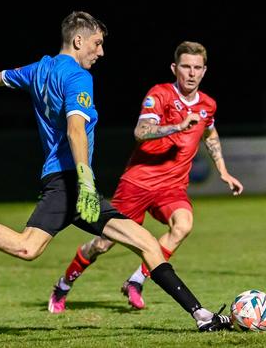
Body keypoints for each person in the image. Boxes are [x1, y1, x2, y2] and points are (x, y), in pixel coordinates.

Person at [0, 12, 232, 332]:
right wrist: (84, 179)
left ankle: (202, 316)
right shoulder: (78, 76)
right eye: (97, 44)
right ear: (79, 41)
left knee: (142, 243)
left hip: (68, 182)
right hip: (69, 183)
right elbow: (75, 130)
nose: (101, 51)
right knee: (28, 247)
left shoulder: (39, 69)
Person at [47, 41, 243, 313]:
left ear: (204, 71)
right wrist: (175, 126)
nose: (191, 73)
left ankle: (136, 280)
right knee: (102, 244)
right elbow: (140, 131)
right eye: (185, 66)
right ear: (175, 68)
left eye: (197, 68)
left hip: (171, 188)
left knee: (183, 225)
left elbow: (210, 133)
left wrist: (222, 170)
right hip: (137, 184)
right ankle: (63, 285)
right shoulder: (159, 94)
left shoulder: (208, 105)